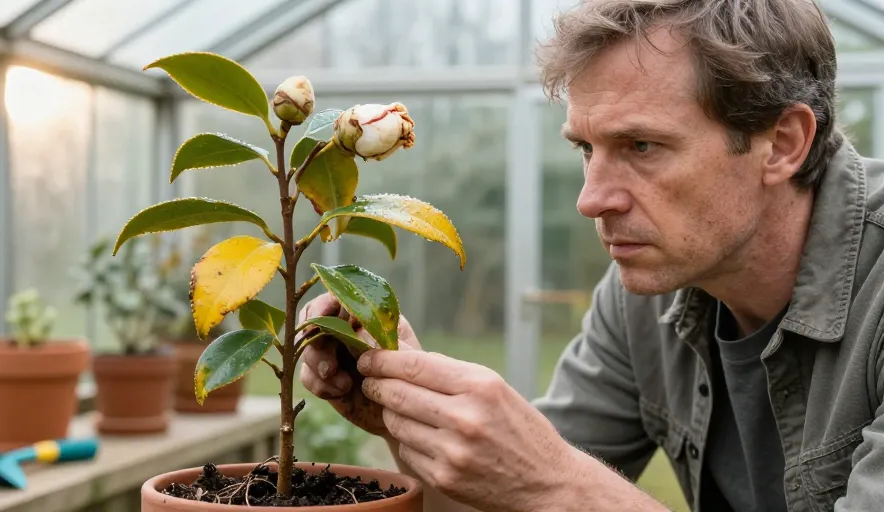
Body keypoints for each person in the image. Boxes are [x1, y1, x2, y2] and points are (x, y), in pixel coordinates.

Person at [298, 0, 884, 511]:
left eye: (642, 146)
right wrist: (407, 414)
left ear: (782, 143)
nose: (590, 200)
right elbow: (511, 498)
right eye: (586, 147)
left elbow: (549, 488)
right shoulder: (648, 296)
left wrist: (558, 483)